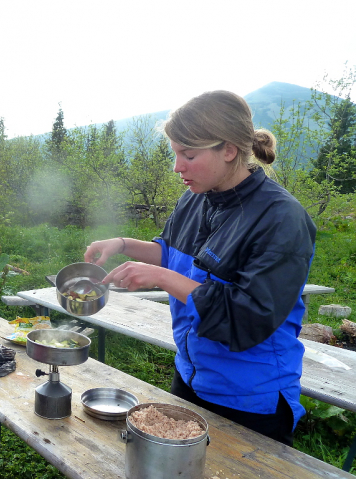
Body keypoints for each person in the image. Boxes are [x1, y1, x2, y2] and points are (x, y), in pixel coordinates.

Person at [84, 90, 316, 446]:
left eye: (188, 155)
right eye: (175, 153)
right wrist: (124, 245)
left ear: (228, 150)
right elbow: (172, 254)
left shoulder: (281, 219)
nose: (177, 167)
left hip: (250, 397)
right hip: (191, 376)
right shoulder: (196, 197)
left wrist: (162, 279)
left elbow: (247, 318)